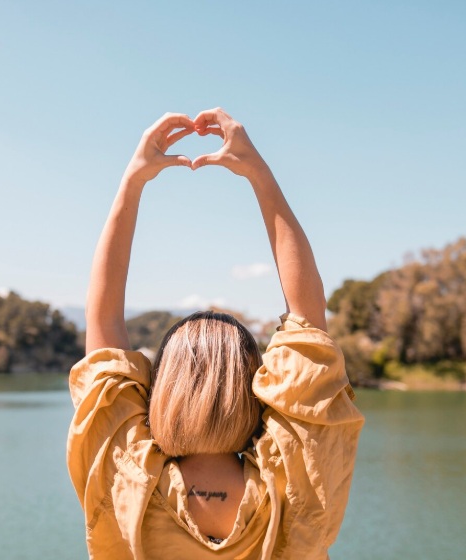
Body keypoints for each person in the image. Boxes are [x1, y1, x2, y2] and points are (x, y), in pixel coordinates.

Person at [66, 108, 364, 559]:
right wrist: (259, 174)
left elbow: (103, 322)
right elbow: (308, 317)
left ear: (162, 389)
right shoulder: (298, 481)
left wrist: (132, 182)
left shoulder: (124, 476)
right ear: (253, 390)